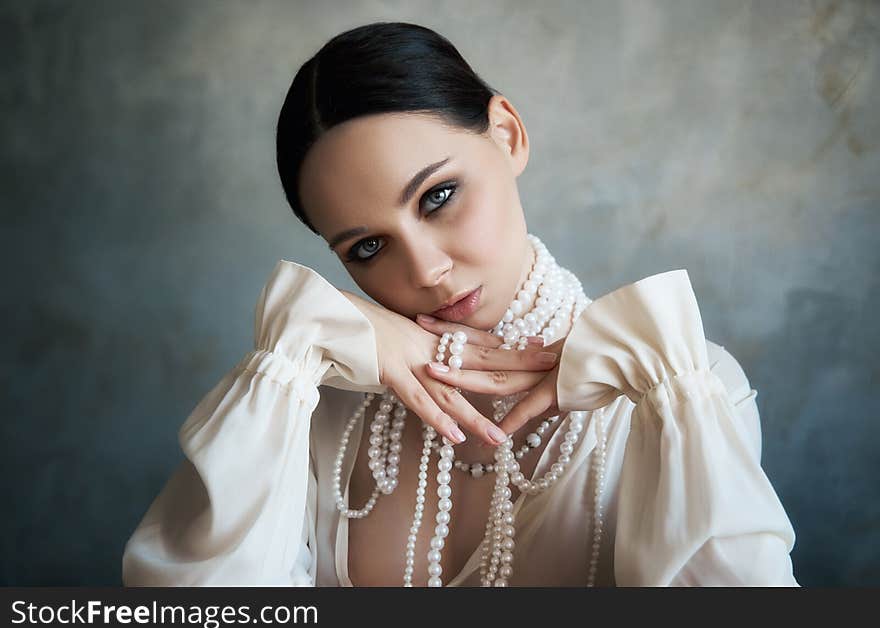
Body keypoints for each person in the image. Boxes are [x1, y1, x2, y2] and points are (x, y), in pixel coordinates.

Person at [122, 21, 799, 587]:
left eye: (438, 196)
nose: (426, 269)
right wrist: (294, 354)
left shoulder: (680, 397)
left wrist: (671, 390)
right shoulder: (312, 408)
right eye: (366, 249)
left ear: (507, 134)